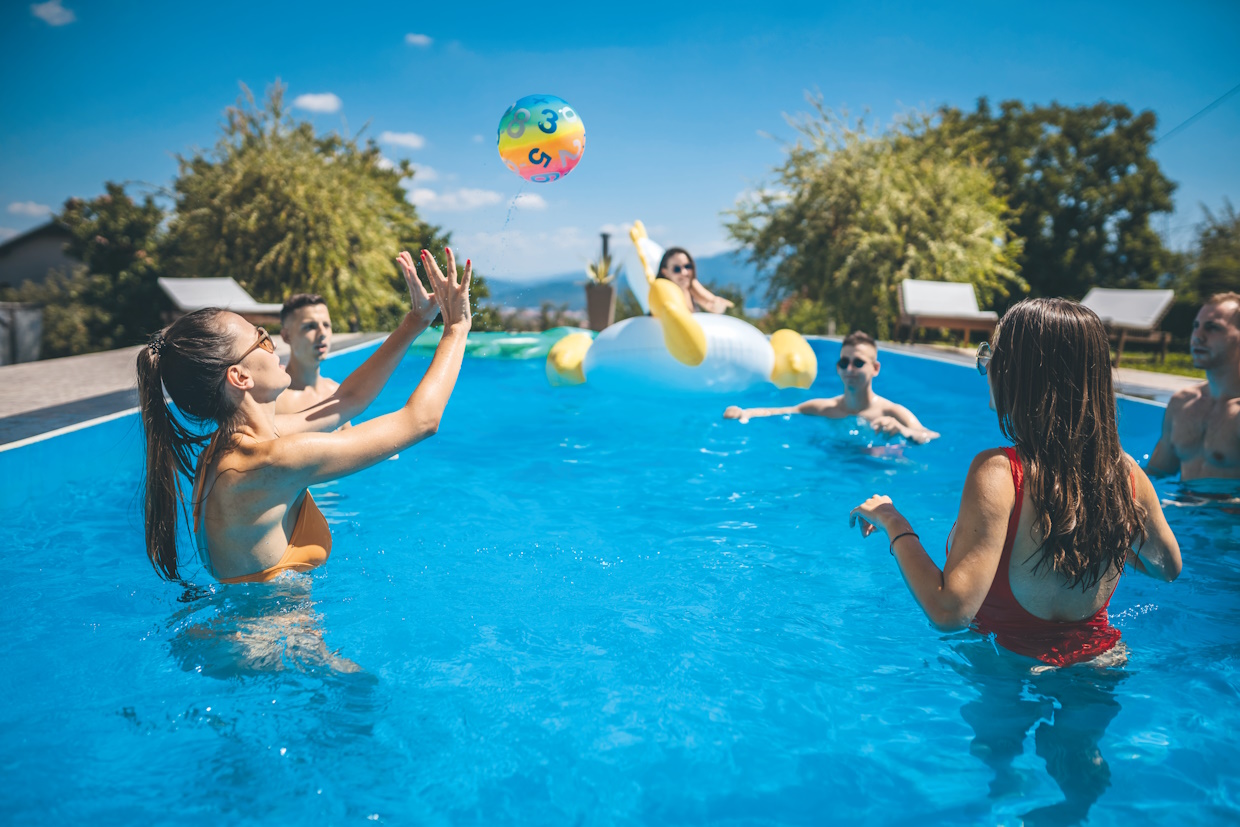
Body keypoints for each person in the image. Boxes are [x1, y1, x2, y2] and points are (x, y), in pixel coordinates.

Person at [848, 298, 1181, 667]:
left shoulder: (999, 472)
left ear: (1020, 372)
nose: (986, 365)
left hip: (1007, 666)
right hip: (1102, 663)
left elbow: (948, 612)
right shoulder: (1126, 474)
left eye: (992, 353)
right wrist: (1103, 532)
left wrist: (893, 521)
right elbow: (1166, 567)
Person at [136, 248, 471, 583]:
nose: (273, 347)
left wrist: (416, 321)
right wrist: (456, 327)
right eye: (262, 339)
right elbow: (421, 420)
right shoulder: (271, 460)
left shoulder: (234, 447)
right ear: (240, 377)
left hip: (248, 631)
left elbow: (346, 400)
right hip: (273, 636)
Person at [723, 330, 940, 444]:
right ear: (837, 368)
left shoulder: (892, 412)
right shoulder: (825, 408)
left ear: (875, 368)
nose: (850, 369)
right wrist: (745, 412)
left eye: (858, 363)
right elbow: (781, 411)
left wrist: (903, 430)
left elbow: (930, 435)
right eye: (844, 363)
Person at [1146, 291, 1240, 483]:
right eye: (1195, 326)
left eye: (1212, 327)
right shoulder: (1182, 402)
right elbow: (1156, 472)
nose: (1197, 336)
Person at [275, 293, 340, 416]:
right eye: (310, 326)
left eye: (326, 325)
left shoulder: (336, 392)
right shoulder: (274, 400)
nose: (323, 333)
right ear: (286, 336)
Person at [655, 247, 734, 314]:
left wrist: (717, 307)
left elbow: (713, 304)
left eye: (687, 266)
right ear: (665, 272)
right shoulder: (665, 299)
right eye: (676, 269)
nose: (684, 272)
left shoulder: (692, 289)